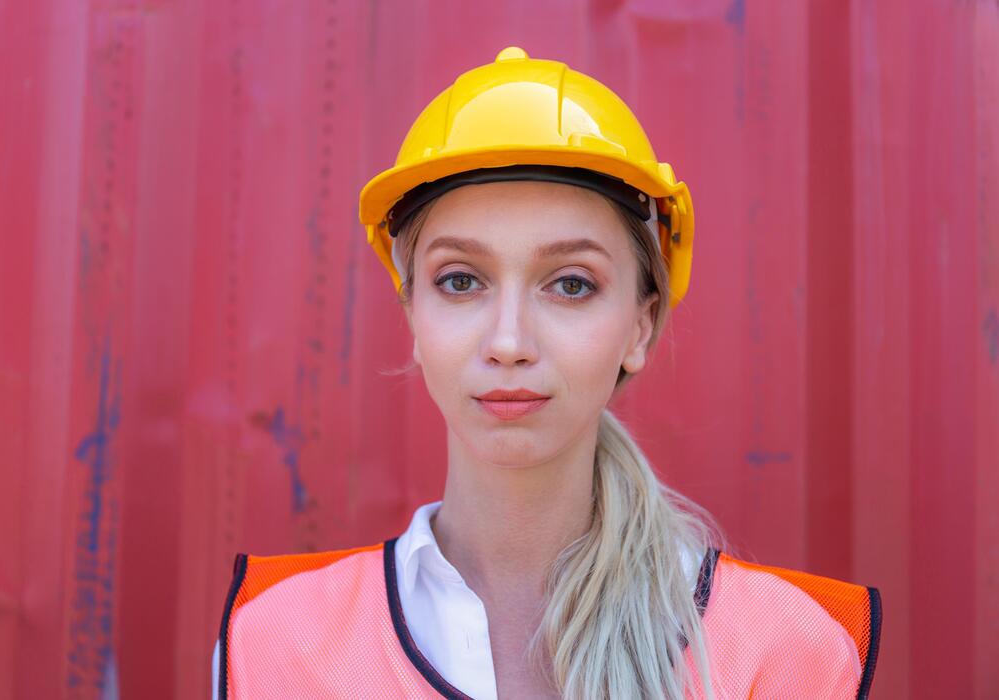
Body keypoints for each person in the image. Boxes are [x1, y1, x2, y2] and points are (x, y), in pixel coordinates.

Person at [213, 47, 882, 699]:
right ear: (412, 316)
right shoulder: (275, 643)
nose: (508, 342)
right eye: (461, 280)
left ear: (639, 327)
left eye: (570, 284)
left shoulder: (788, 651)